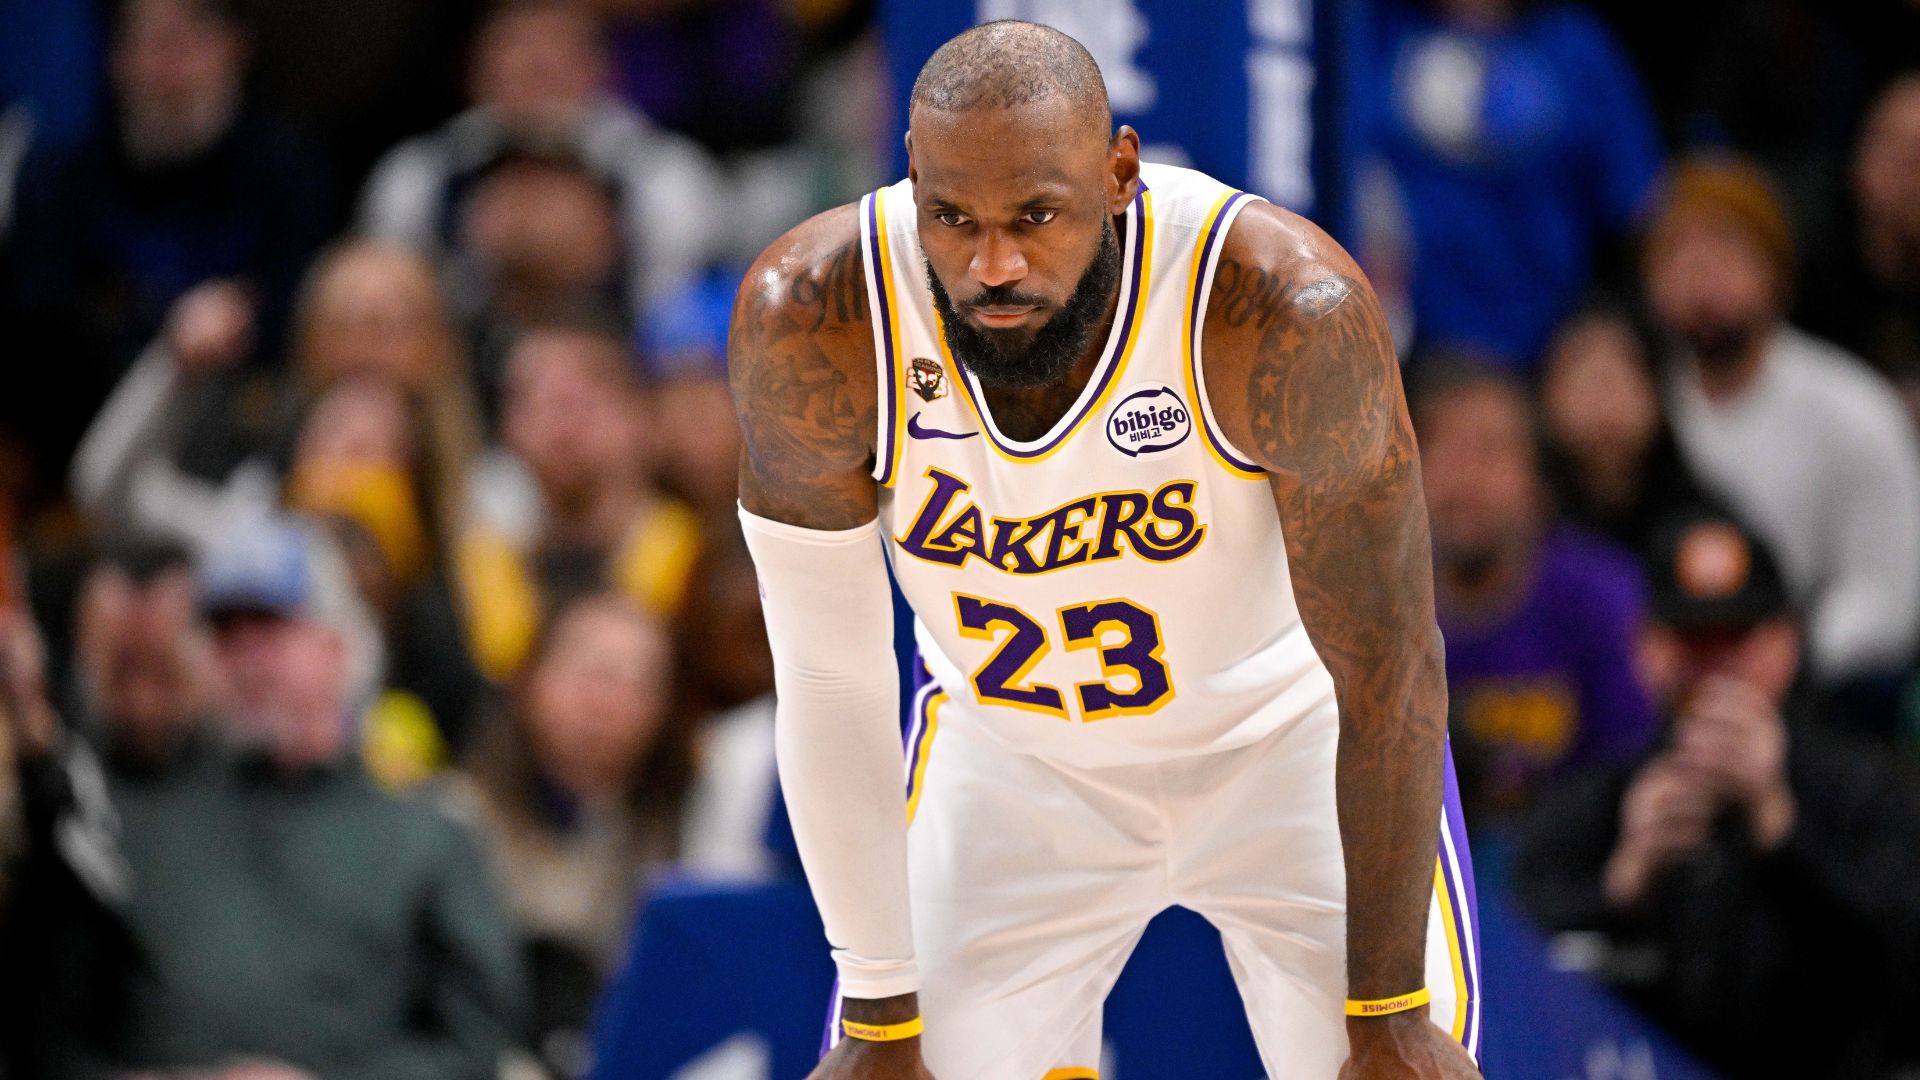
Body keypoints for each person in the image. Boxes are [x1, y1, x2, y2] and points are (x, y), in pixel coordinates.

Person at [728, 21, 1480, 1079]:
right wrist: (877, 1010)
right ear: (911, 176)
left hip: (1283, 748)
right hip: (1012, 767)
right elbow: (828, 674)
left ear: (1121, 172)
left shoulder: (1277, 312)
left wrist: (1392, 1007)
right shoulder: (816, 317)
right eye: (953, 218)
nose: (993, 264)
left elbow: (1391, 663)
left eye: (1036, 216)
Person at [1, 517, 525, 1079]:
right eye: (224, 632)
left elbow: (478, 1044)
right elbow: (45, 1031)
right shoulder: (121, 819)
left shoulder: (430, 833)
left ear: (339, 646)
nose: (246, 654)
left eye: (270, 626)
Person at [1514, 508, 1920, 1079]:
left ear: (1785, 643)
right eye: (1691, 641)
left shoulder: (1862, 789)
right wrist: (1622, 886)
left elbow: (1901, 968)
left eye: (1738, 638)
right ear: (1647, 649)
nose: (1716, 668)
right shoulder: (1597, 800)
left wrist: (1782, 834)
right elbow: (1508, 967)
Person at [0, 0, 330, 510]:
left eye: (186, 41)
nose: (167, 71)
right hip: (72, 458)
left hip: (242, 459)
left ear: (235, 46)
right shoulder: (58, 177)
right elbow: (40, 328)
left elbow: (300, 322)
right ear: (114, 58)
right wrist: (165, 335)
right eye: (146, 43)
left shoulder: (288, 173)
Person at [1646, 156, 1920, 683]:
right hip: (1658, 681)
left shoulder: (1854, 410)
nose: (1701, 271)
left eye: (1726, 247)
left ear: (1776, 272)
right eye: (1677, 251)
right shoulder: (1637, 409)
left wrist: (1770, 663)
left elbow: (1887, 600)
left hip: (1816, 690)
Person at [358, 0, 722, 322]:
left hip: (620, 366)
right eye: (517, 56)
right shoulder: (420, 176)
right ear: (476, 75)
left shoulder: (666, 176)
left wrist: (596, 263)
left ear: (600, 71)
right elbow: (393, 309)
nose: (536, 69)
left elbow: (680, 326)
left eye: (554, 60)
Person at [450, 590, 686, 1078]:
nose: (606, 701)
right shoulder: (451, 822)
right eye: (593, 672)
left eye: (636, 683)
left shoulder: (679, 841)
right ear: (532, 677)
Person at [1413, 361, 1658, 818]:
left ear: (1538, 481)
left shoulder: (1604, 600)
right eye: (1440, 448)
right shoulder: (1364, 610)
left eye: (1489, 451)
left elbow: (1633, 769)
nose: (1464, 478)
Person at [1366, 0, 1662, 371]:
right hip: (1398, 352)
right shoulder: (1365, 30)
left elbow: (1641, 209)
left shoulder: (1577, 45)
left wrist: (1603, 330)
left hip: (1552, 358)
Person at [457, 323, 701, 681]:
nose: (562, 426)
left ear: (643, 419)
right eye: (537, 401)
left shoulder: (707, 575)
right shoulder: (466, 578)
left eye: (583, 401)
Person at [1535, 301, 1723, 563]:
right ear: (1547, 393)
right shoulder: (1523, 523)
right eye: (1587, 381)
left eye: (1620, 377)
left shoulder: (1701, 524)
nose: (1605, 402)